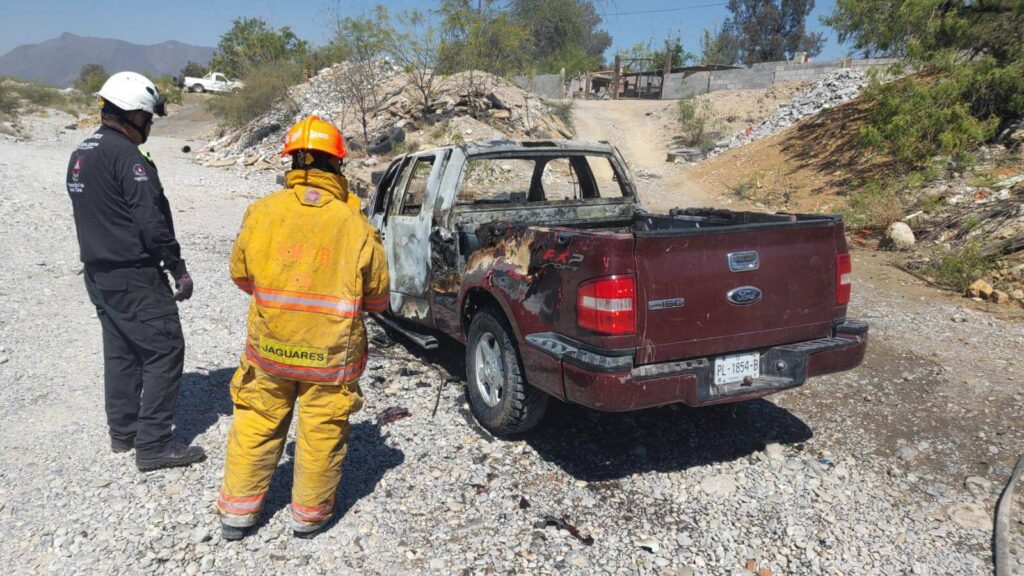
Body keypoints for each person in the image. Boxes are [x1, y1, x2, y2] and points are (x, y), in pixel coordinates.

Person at [217, 115, 389, 540]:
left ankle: (238, 514)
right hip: (329, 359)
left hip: (270, 350)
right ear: (337, 164)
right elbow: (377, 299)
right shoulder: (356, 225)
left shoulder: (262, 212)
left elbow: (241, 276)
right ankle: (308, 518)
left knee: (256, 421)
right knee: (321, 433)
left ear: (292, 161)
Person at [65, 71, 206, 471]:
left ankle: (124, 432)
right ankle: (155, 444)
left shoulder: (82, 151)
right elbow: (150, 221)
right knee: (165, 349)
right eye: (148, 117)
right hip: (133, 274)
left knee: (122, 350)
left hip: (98, 274)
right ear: (133, 114)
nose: (149, 125)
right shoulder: (127, 157)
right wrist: (177, 267)